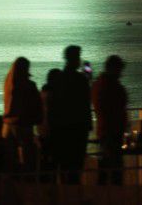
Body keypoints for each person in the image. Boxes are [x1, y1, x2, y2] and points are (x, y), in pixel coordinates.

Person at [50, 45, 92, 184]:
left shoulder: (58, 79)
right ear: (74, 58)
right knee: (76, 164)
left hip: (61, 127)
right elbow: (86, 99)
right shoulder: (81, 79)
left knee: (64, 164)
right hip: (78, 126)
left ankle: (65, 191)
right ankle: (73, 191)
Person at [2, 57, 43, 173]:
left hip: (7, 125)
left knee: (11, 158)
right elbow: (36, 106)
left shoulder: (8, 84)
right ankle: (26, 179)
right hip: (23, 125)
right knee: (27, 156)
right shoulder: (29, 85)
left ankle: (12, 179)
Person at [92, 55, 128, 185]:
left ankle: (103, 191)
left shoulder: (99, 84)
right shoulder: (110, 86)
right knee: (114, 168)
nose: (121, 73)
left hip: (106, 131)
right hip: (111, 131)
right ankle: (113, 192)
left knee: (105, 166)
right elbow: (116, 107)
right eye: (119, 69)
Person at [39, 69, 63, 172]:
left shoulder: (42, 93)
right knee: (55, 159)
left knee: (45, 157)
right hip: (53, 130)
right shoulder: (55, 95)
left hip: (42, 130)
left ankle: (45, 178)